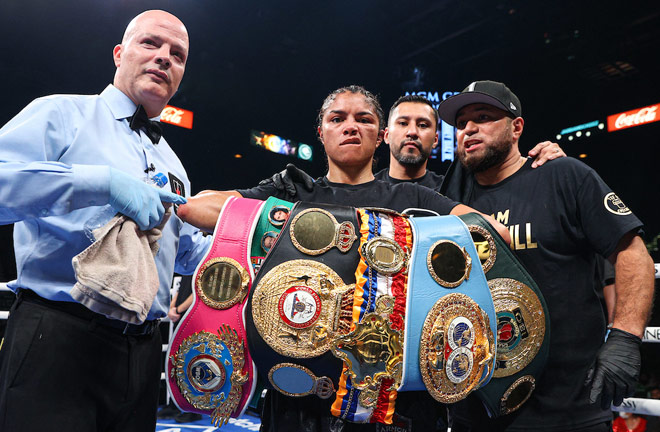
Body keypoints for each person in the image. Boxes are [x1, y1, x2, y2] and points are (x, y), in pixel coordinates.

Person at [177, 84, 512, 431]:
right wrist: (276, 216)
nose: (350, 126)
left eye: (363, 119)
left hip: (390, 404)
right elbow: (197, 208)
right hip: (298, 399)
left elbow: (488, 232)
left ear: (380, 136)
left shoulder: (412, 197)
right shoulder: (292, 189)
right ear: (321, 133)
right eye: (338, 118)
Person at [0, 10, 210, 431]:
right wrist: (100, 182)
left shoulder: (175, 165)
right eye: (151, 44)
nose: (164, 58)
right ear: (119, 53)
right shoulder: (60, 114)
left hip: (142, 355)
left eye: (178, 54)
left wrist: (250, 239)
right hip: (57, 337)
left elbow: (184, 255)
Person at [437, 80, 655, 431]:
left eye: (483, 117)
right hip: (476, 411)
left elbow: (632, 252)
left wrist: (625, 336)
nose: (469, 129)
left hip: (567, 410)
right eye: (461, 124)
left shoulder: (564, 175)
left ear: (516, 127)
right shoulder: (448, 197)